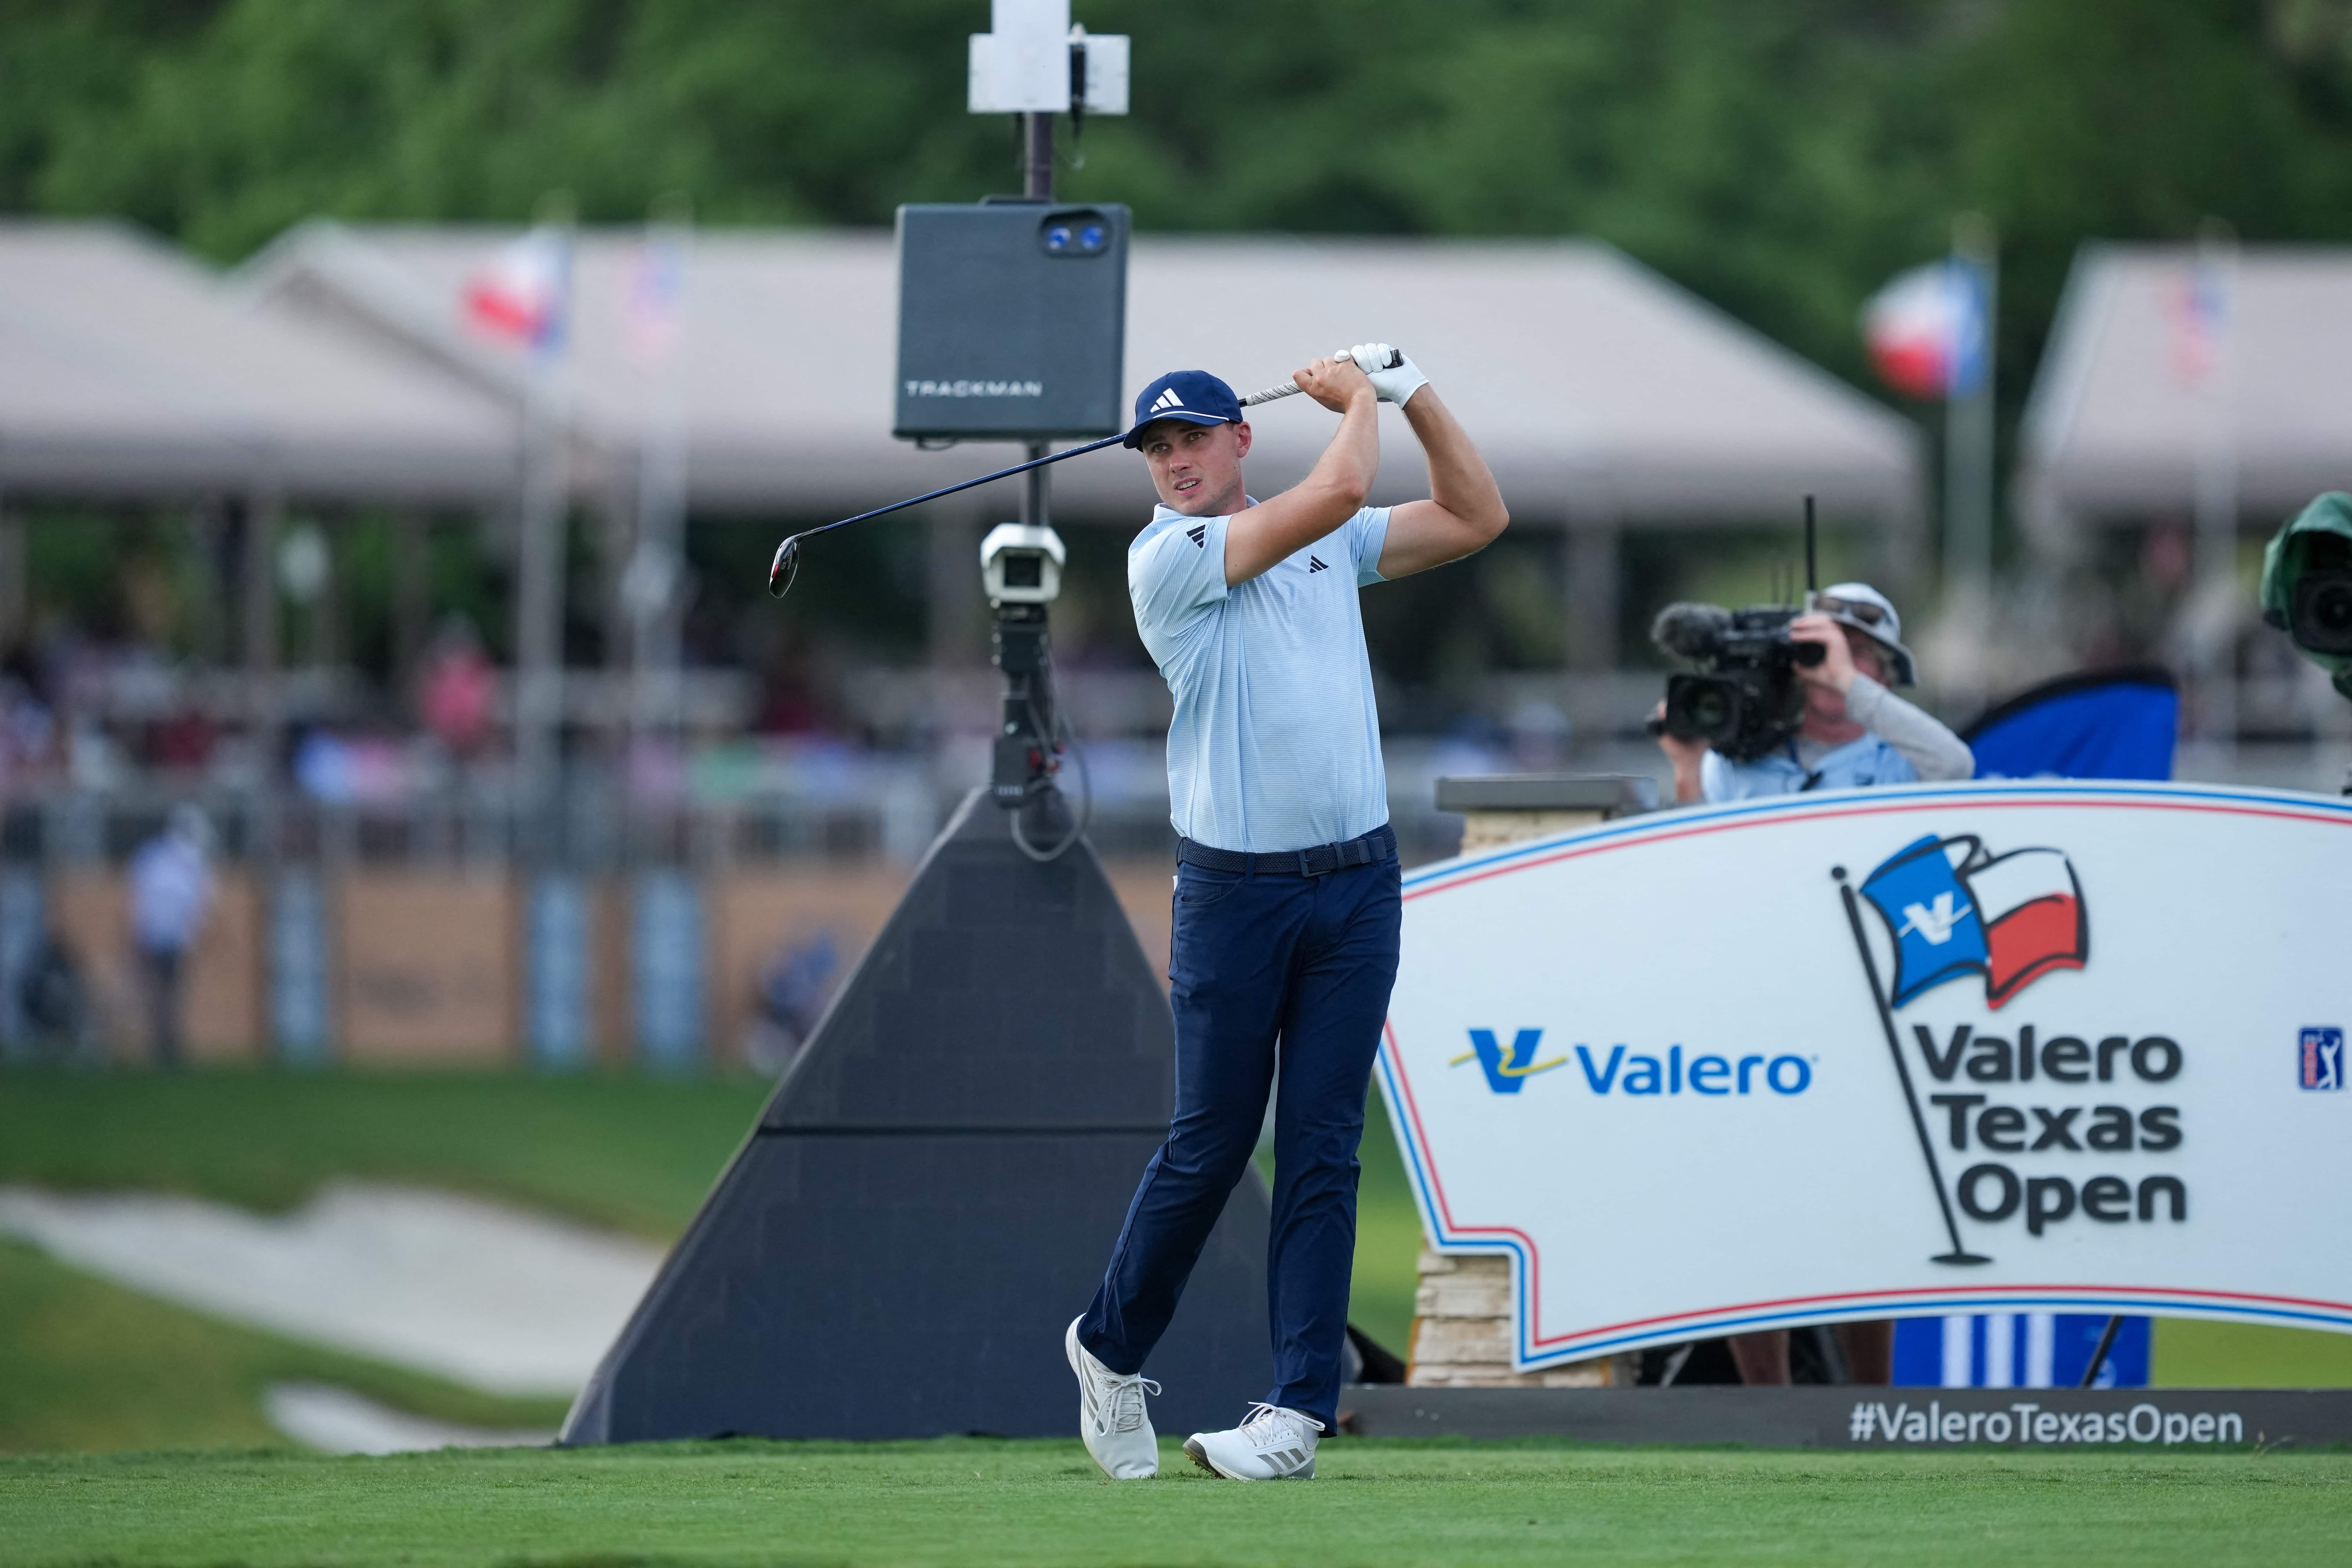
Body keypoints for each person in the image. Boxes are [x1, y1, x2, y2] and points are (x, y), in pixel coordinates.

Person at [1064, 347, 1507, 1482]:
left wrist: (1411, 393)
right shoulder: (1168, 558)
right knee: (1210, 1148)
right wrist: (1357, 399)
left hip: (1357, 885)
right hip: (1234, 896)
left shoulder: (1324, 545)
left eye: (1191, 441)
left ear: (1237, 440)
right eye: (1155, 451)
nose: (1173, 464)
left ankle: (1296, 1417)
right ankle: (1108, 1349)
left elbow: (1475, 513)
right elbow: (1345, 488)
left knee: (1320, 1146)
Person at [1655, 582, 1972, 1386]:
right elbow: (1698, 867)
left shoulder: (1897, 753)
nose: (1831, 668)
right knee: (1746, 1217)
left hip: (1866, 1013)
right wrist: (1689, 768)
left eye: (1857, 655)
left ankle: (1868, 1402)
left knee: (1864, 1222)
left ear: (1884, 674)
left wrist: (1852, 686)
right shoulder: (1744, 756)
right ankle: (1771, 1407)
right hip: (1757, 1010)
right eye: (1819, 651)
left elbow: (1958, 767)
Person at [127, 804, 215, 1069]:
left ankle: (167, 1045)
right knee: (163, 993)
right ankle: (164, 1045)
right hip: (161, 937)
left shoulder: (162, 859)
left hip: (169, 938)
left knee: (168, 993)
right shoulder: (173, 861)